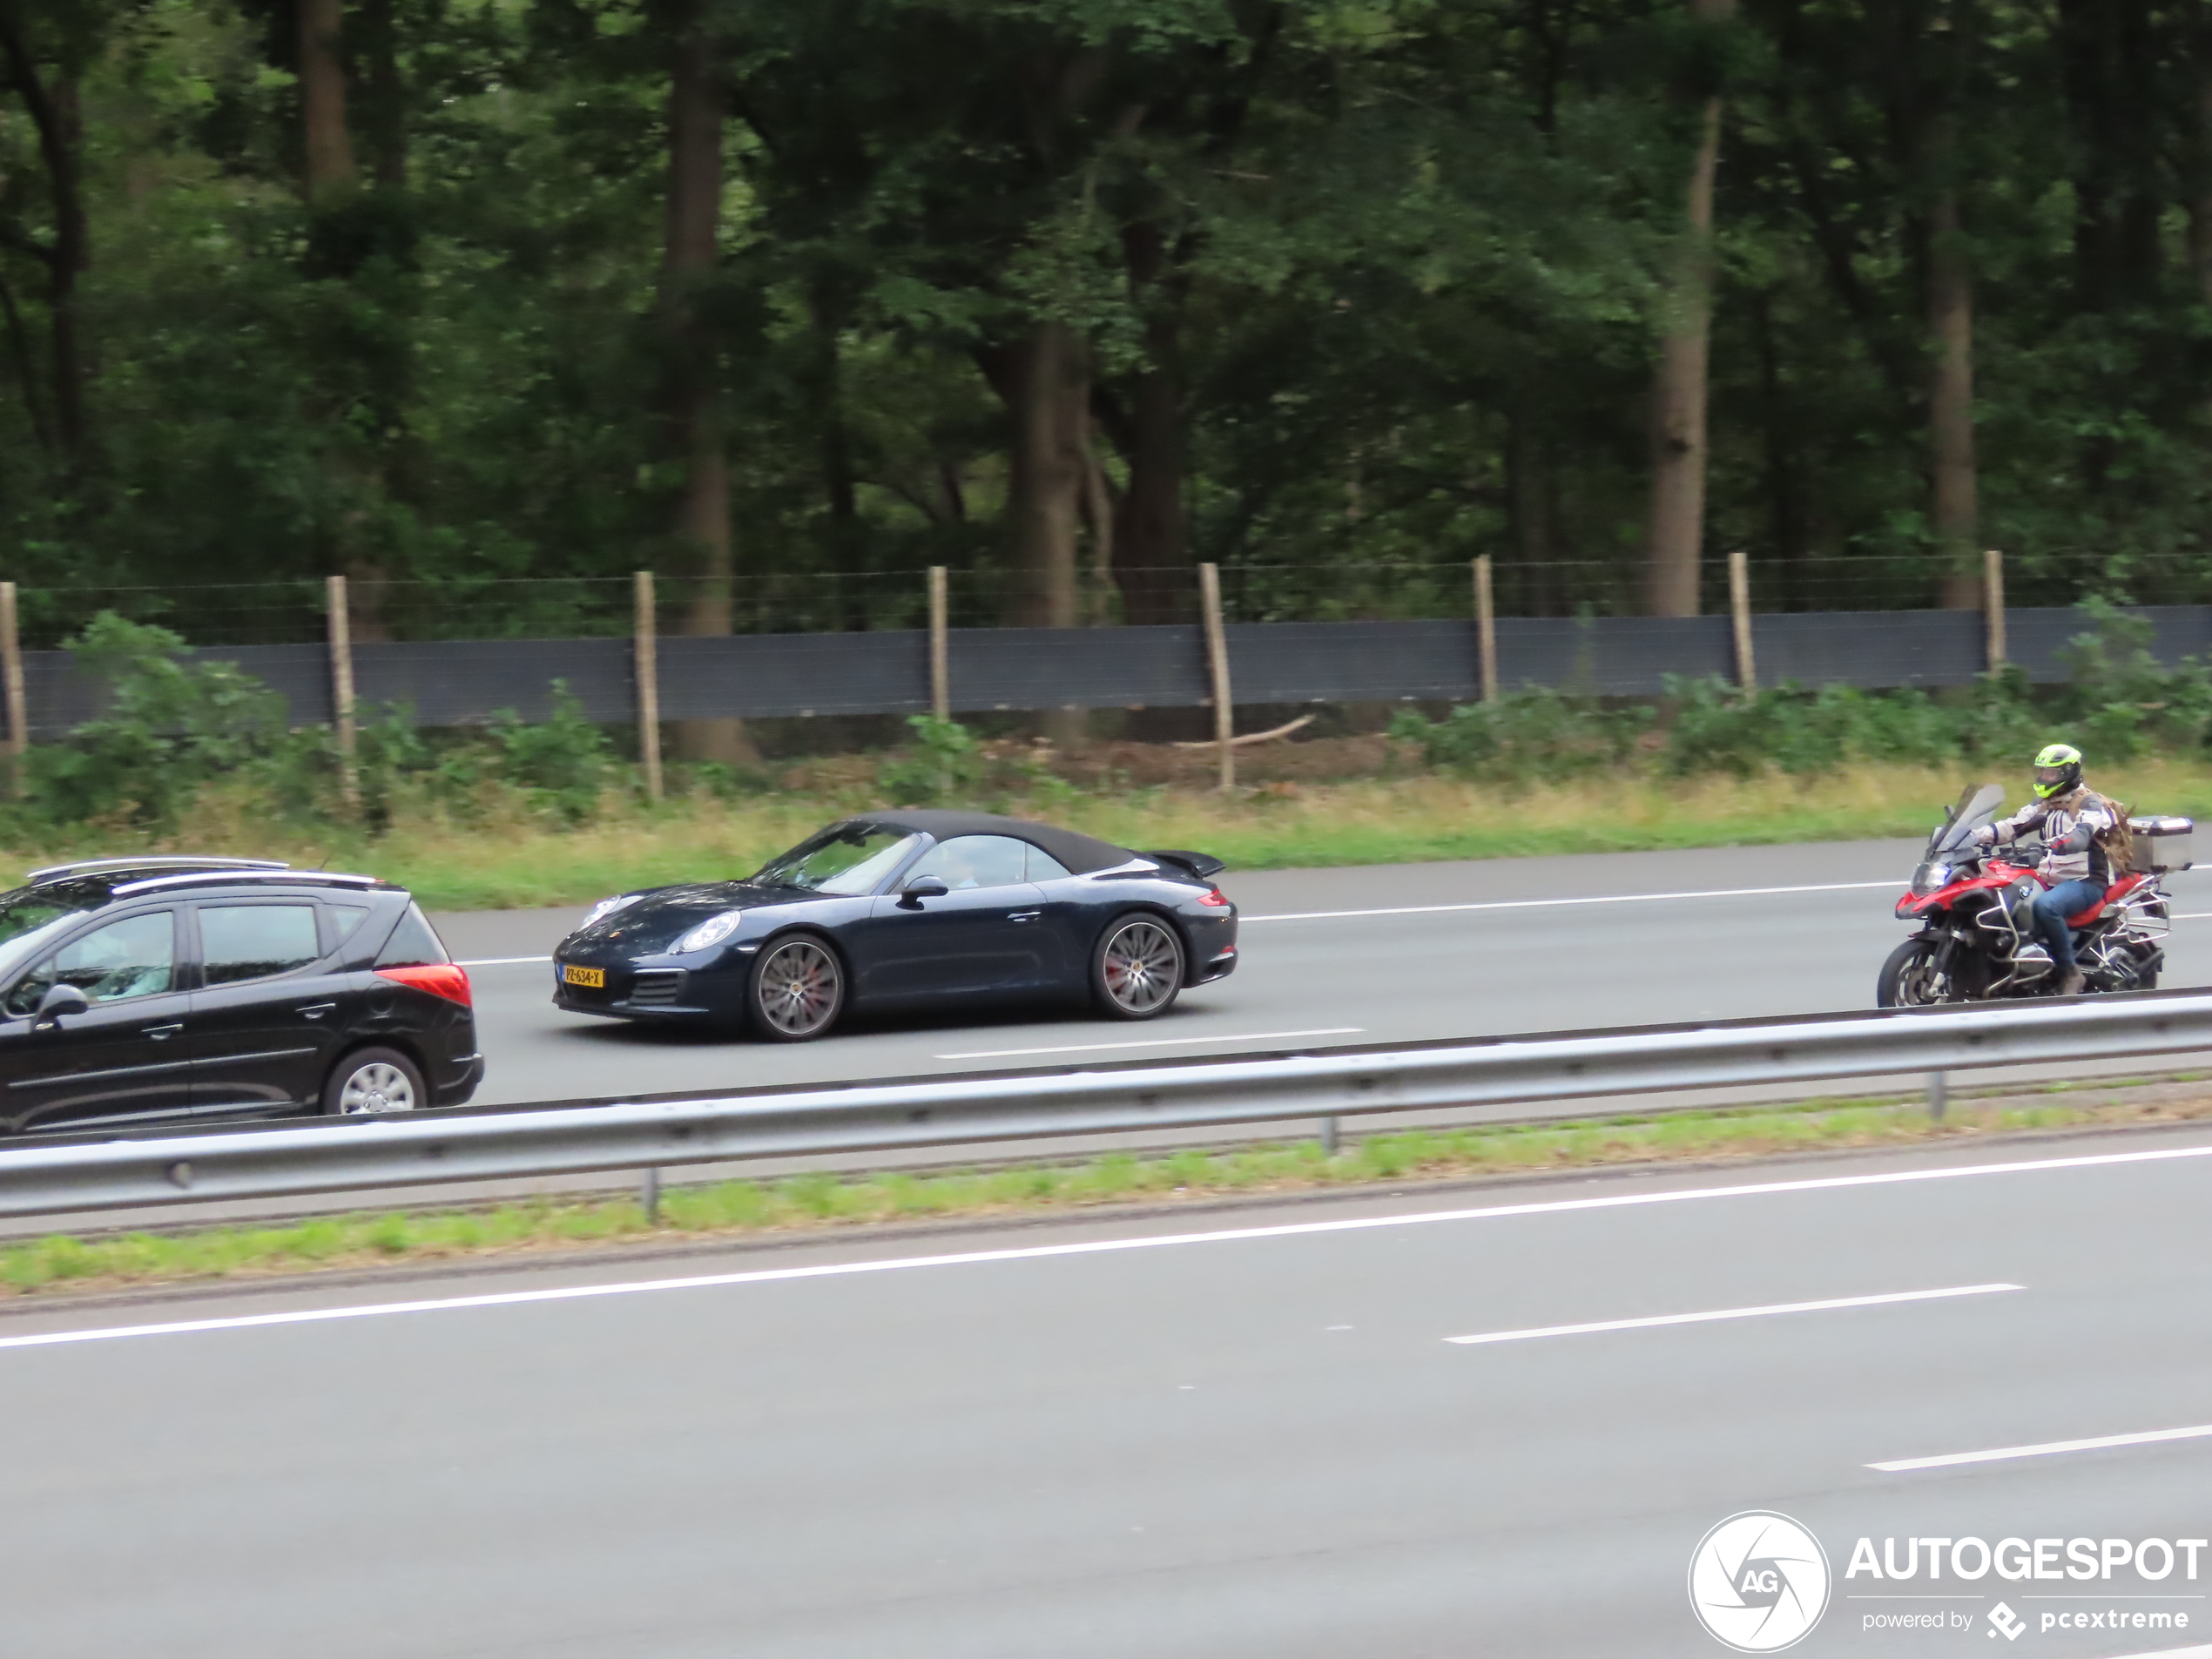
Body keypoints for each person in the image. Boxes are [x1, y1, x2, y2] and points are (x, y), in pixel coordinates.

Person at [1969, 743, 2116, 996]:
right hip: (2049, 876)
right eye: (2043, 772)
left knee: (2045, 907)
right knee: (2003, 901)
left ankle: (2070, 971)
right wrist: (1971, 835)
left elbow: (2081, 834)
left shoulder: (2089, 804)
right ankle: (2018, 963)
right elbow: (2012, 826)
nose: (2045, 778)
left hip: (2086, 880)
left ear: (2069, 772)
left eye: (2052, 773)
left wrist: (2056, 844)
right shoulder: (2046, 803)